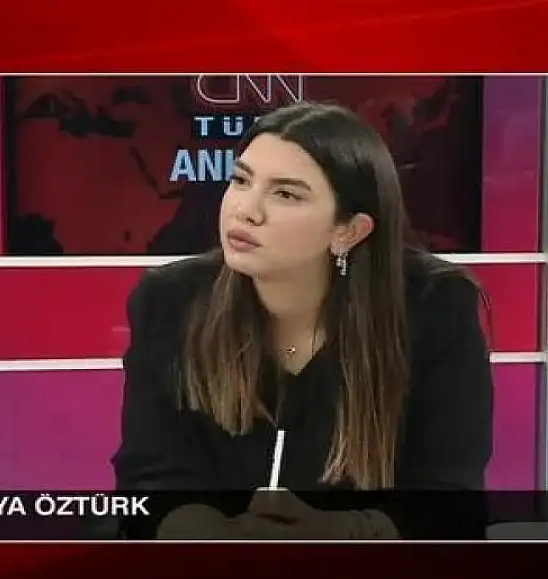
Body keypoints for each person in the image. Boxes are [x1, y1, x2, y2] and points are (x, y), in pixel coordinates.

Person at [112, 101, 493, 540]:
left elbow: (449, 500)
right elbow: (150, 479)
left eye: (286, 194)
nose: (246, 210)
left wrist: (338, 534)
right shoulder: (170, 301)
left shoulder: (434, 306)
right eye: (241, 180)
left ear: (348, 231)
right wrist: (218, 538)